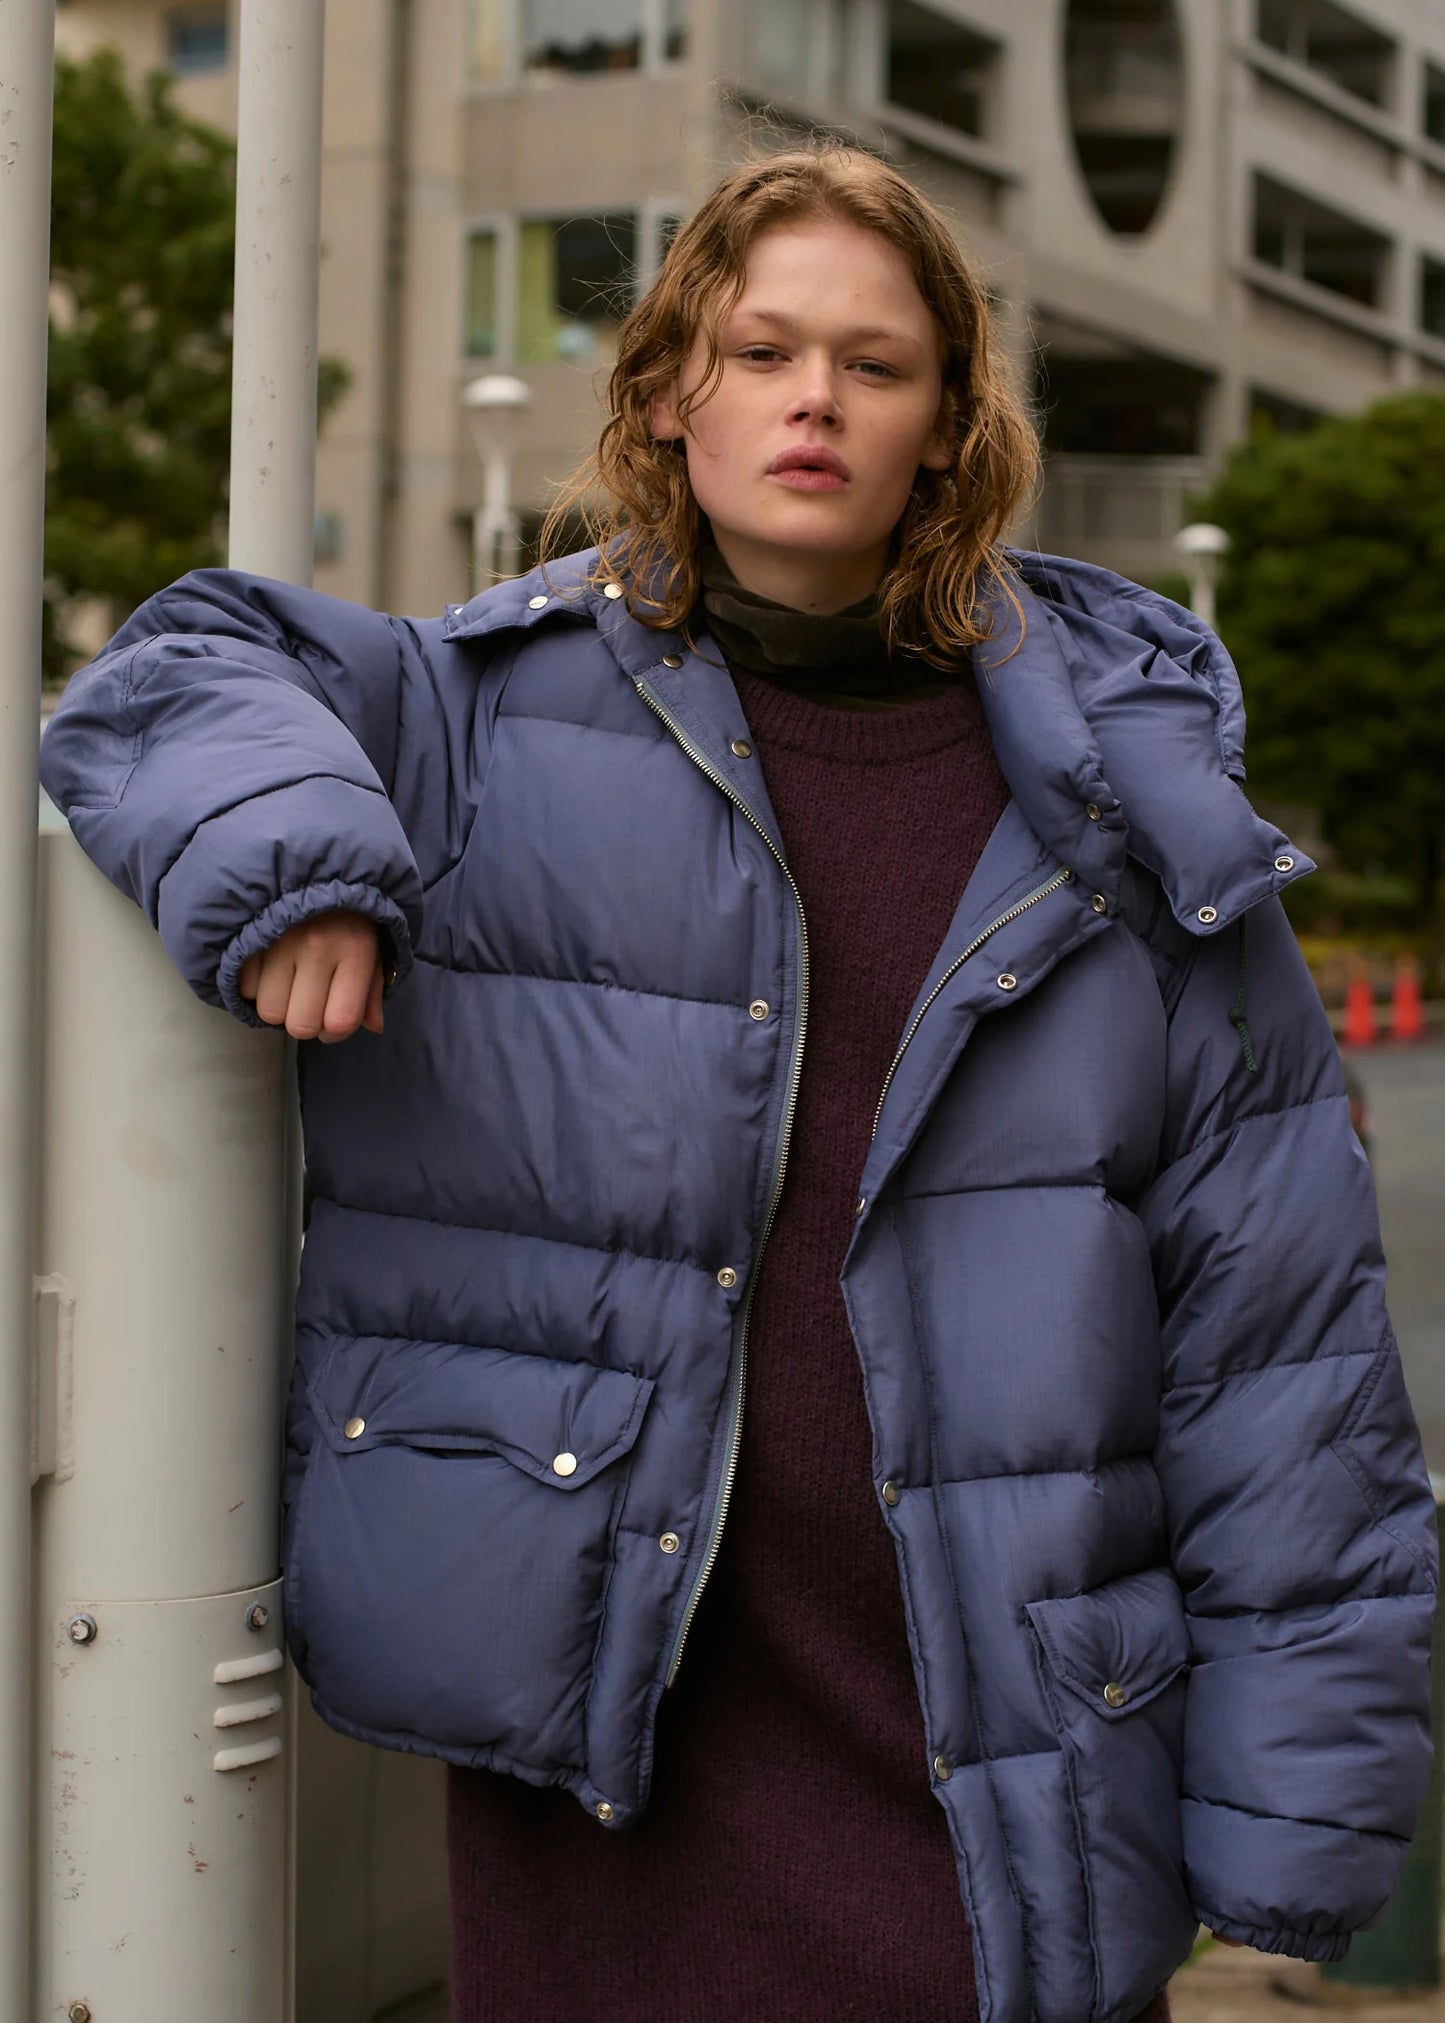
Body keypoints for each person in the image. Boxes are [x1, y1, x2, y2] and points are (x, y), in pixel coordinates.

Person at [40, 146, 1436, 2023]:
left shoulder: (1132, 817)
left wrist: (1295, 1824)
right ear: (664, 391)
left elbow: (1281, 1358)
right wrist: (297, 872)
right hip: (601, 1757)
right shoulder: (480, 722)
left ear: (947, 428)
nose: (813, 401)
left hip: (1004, 1785)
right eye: (761, 349)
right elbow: (175, 669)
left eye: (874, 364)